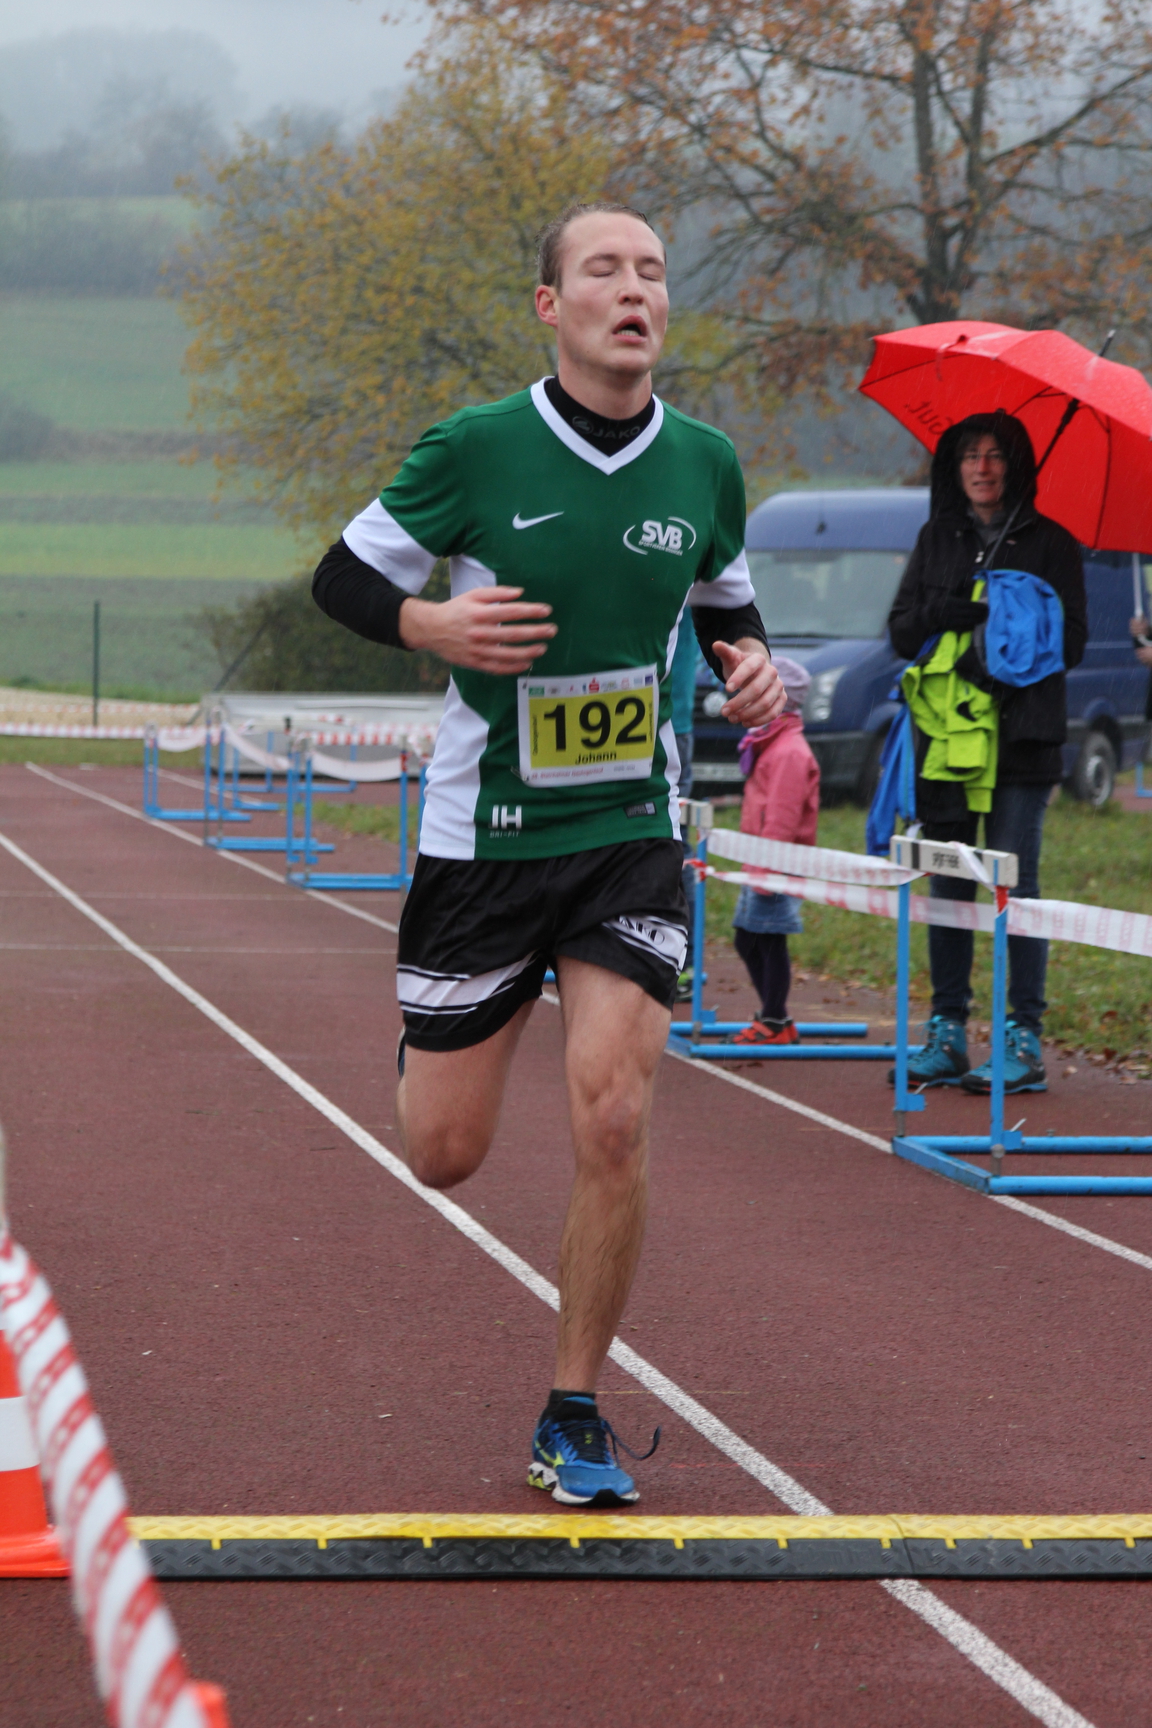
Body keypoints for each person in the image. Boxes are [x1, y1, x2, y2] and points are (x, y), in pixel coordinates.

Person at [312, 202, 783, 1504]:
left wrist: (752, 672)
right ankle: (437, 1050)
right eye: (604, 270)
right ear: (550, 305)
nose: (634, 291)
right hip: (486, 840)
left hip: (630, 829)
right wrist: (430, 625)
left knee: (615, 1116)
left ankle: (573, 1409)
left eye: (653, 272)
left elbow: (731, 612)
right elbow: (341, 577)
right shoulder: (475, 448)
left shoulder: (705, 465)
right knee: (444, 1153)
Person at [887, 412, 1087, 1094]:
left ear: (1017, 465)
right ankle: (947, 1032)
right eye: (970, 456)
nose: (982, 467)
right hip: (945, 747)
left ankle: (1022, 1038)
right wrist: (940, 614)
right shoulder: (935, 537)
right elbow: (900, 633)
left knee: (1014, 887)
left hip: (1021, 746)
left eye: (996, 455)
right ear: (954, 468)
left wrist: (1009, 633)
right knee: (948, 884)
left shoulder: (1052, 543)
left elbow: (1073, 642)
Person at [730, 657, 819, 1046]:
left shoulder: (789, 752)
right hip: (757, 861)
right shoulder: (770, 742)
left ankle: (775, 1019)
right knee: (747, 938)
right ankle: (775, 1016)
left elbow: (782, 818)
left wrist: (768, 871)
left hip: (774, 866)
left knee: (767, 939)